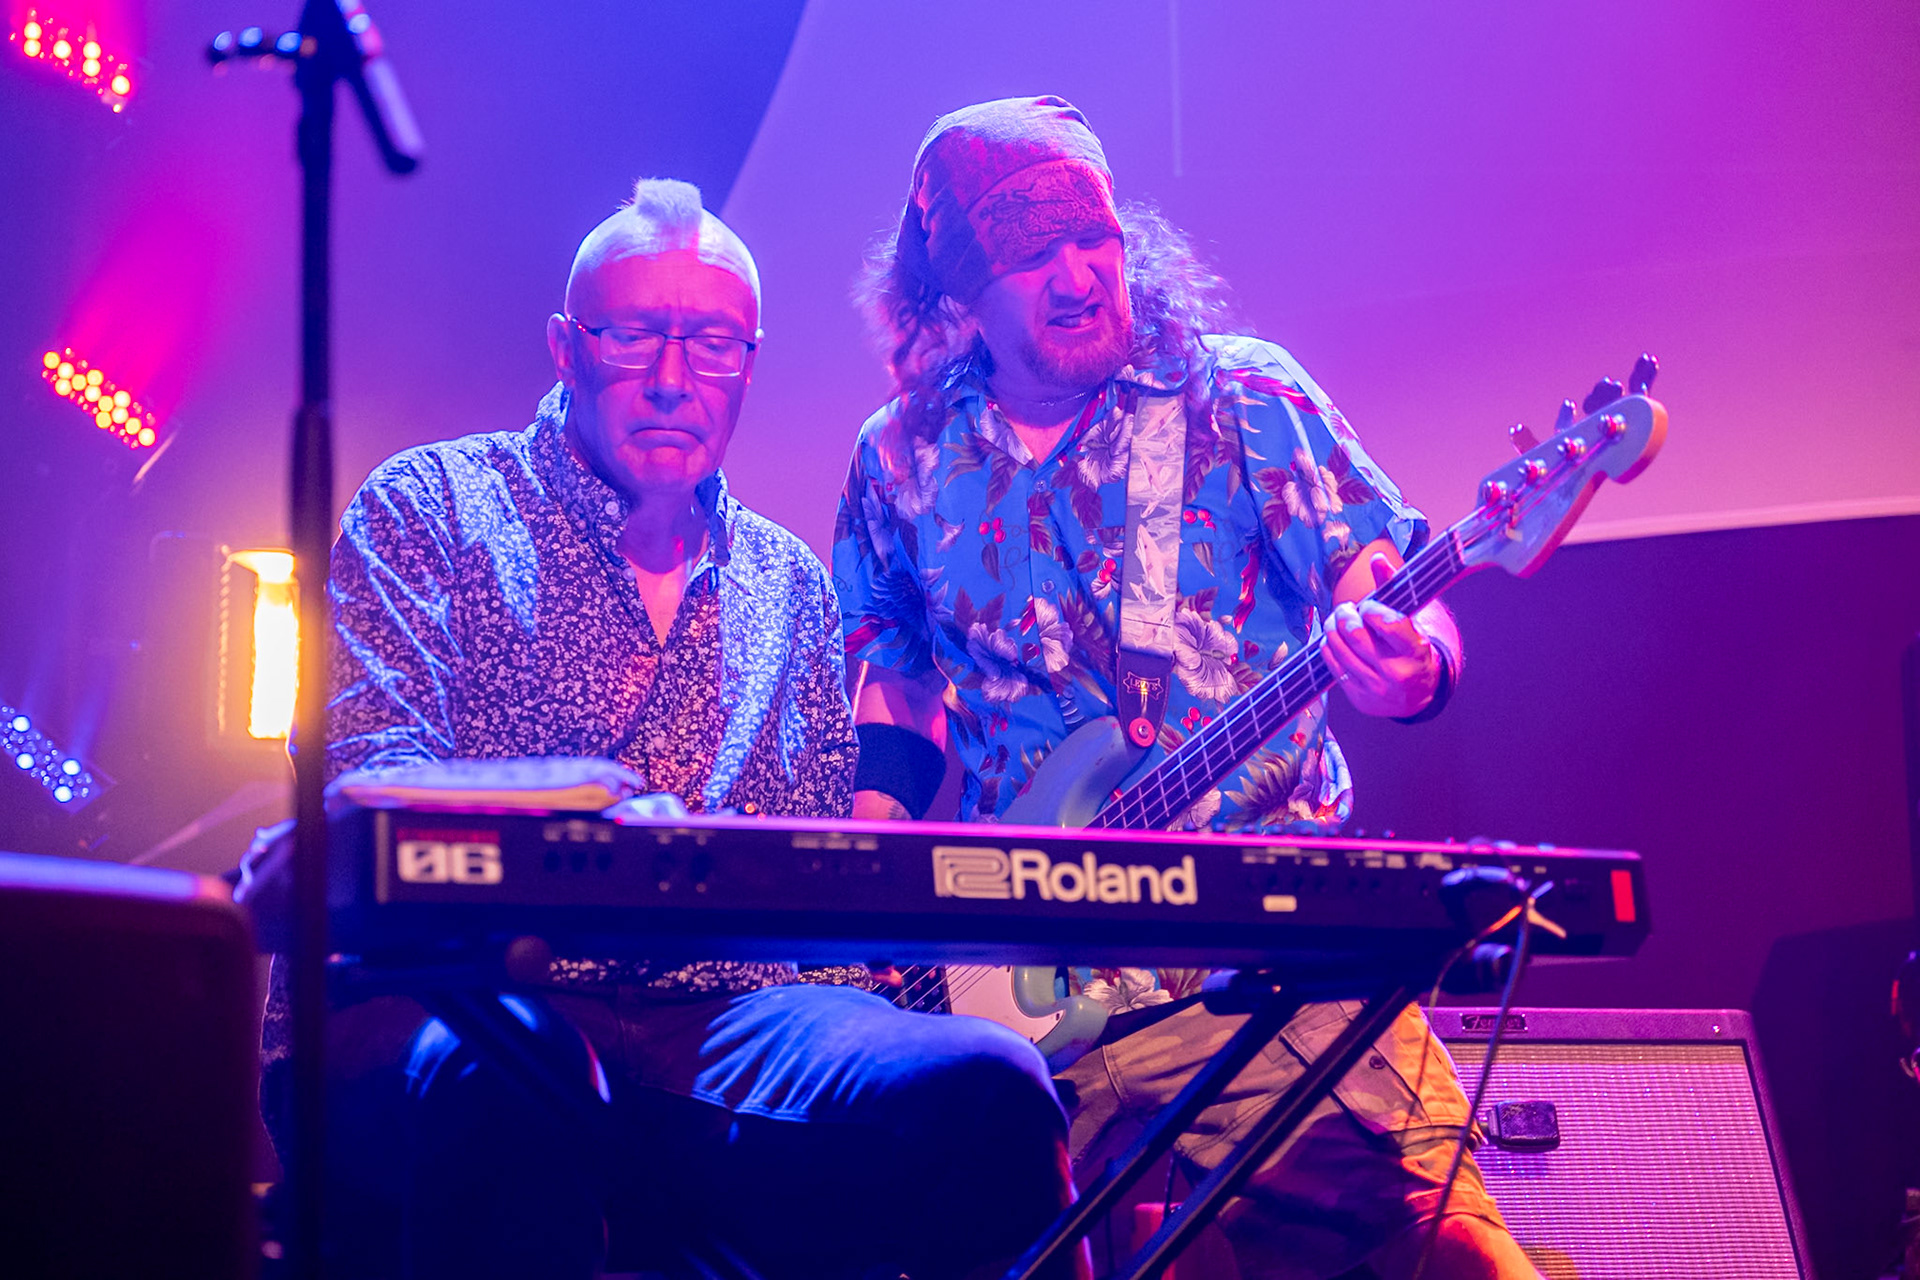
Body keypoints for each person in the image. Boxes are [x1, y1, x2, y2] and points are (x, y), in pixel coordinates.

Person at [258, 178, 1083, 1280]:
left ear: (749, 363)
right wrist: (590, 812)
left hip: (713, 1019)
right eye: (634, 335)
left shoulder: (788, 581)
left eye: (713, 345)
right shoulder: (429, 506)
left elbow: (801, 904)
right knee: (524, 1076)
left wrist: (880, 969)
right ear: (566, 348)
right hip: (444, 999)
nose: (671, 378)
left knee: (988, 1087)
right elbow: (365, 780)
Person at [833, 97, 1540, 1279]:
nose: (1078, 276)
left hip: (1268, 972)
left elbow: (1389, 586)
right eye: (1031, 255)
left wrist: (1414, 662)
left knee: (1450, 1250)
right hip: (1016, 1001)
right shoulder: (898, 456)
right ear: (959, 296)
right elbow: (899, 681)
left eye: (1092, 238)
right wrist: (876, 884)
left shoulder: (1243, 399)